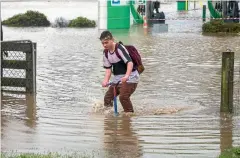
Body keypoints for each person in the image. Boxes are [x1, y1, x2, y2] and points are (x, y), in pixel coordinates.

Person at [100, 30, 139, 113]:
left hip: (131, 77)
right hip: (117, 79)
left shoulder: (119, 48)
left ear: (112, 40)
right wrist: (106, 81)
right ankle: (109, 115)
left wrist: (126, 76)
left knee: (123, 97)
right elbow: (108, 69)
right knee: (107, 98)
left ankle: (129, 115)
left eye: (106, 42)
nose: (104, 45)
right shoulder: (105, 53)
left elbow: (130, 63)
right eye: (102, 43)